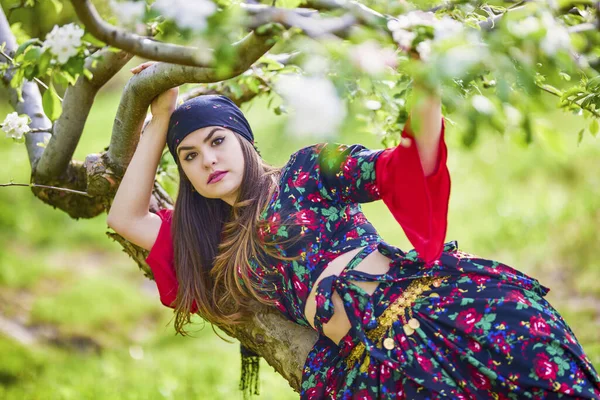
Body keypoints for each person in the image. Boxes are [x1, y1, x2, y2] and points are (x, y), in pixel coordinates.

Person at [107, 62, 600, 400]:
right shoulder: (211, 241)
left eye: (216, 141)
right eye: (189, 156)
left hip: (427, 312)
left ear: (244, 141)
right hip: (368, 364)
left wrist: (423, 88)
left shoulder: (304, 171)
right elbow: (125, 220)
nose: (207, 160)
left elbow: (394, 171)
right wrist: (161, 116)